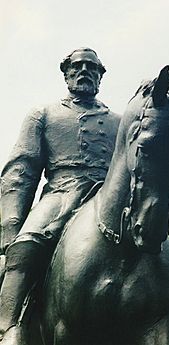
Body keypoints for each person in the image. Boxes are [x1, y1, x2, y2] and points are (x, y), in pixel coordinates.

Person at [0, 47, 120, 344]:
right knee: (27, 245)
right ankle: (10, 326)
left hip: (109, 196)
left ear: (100, 76)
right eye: (77, 66)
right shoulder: (42, 114)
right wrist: (11, 226)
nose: (84, 72)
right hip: (61, 192)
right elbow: (21, 170)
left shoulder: (119, 121)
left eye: (92, 68)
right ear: (66, 73)